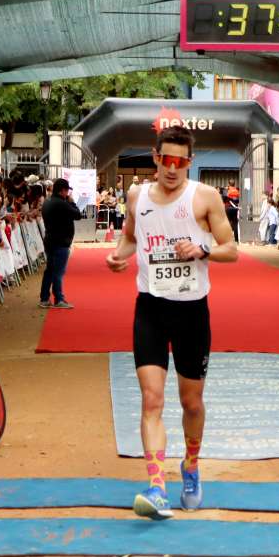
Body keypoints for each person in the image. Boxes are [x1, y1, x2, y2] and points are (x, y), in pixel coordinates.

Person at [105, 126, 238, 520]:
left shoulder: (205, 197)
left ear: (189, 163)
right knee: (152, 399)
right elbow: (130, 237)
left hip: (191, 310)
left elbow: (232, 249)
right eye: (167, 160)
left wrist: (203, 249)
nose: (173, 168)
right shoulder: (137, 195)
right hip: (150, 307)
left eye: (181, 162)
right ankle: (157, 485)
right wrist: (119, 255)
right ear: (156, 157)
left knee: (191, 401)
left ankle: (191, 466)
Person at [39, 178, 82, 309]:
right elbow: (78, 215)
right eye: (67, 191)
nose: (68, 193)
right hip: (60, 242)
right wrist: (72, 202)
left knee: (50, 270)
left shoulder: (47, 202)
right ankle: (59, 299)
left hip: (50, 240)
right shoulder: (62, 204)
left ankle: (44, 298)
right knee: (58, 272)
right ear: (63, 190)